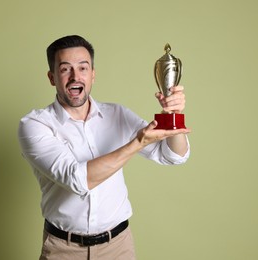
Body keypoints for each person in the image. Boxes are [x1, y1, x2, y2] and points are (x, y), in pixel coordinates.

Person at [18, 35, 190, 260]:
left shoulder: (117, 114)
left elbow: (172, 156)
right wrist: (137, 143)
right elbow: (77, 179)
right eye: (65, 69)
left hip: (118, 247)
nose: (75, 76)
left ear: (92, 75)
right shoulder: (35, 125)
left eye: (83, 68)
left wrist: (173, 114)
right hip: (63, 250)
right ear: (52, 77)